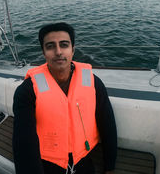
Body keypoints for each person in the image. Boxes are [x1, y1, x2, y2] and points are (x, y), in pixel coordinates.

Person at [13, 22, 117, 174]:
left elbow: (107, 124)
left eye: (64, 45)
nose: (58, 52)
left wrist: (110, 166)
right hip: (47, 163)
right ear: (43, 53)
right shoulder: (27, 91)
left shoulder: (93, 83)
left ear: (73, 50)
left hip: (85, 158)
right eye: (50, 46)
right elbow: (24, 143)